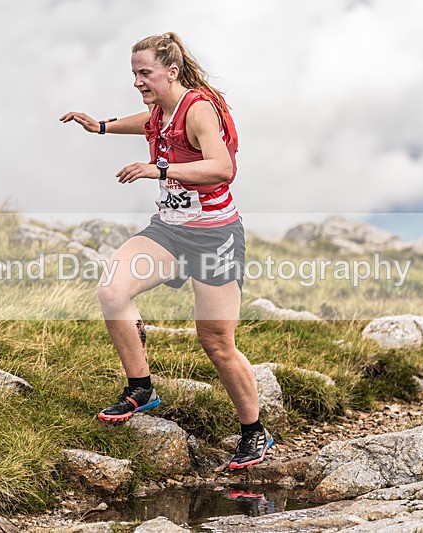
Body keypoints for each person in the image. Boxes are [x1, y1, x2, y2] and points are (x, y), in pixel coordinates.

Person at [59, 32, 272, 470]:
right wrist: (100, 126)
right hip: (169, 231)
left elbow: (223, 168)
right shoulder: (163, 108)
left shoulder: (199, 109)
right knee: (112, 290)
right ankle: (141, 388)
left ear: (171, 72)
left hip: (214, 237)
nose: (137, 81)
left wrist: (157, 169)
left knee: (216, 341)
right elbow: (147, 121)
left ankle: (254, 432)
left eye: (145, 73)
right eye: (134, 73)